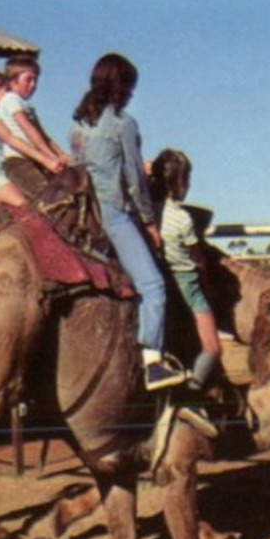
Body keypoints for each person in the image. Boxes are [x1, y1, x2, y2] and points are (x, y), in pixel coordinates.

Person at [68, 53, 186, 392]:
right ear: (121, 87)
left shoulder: (77, 124)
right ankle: (152, 361)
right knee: (154, 287)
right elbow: (133, 179)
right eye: (130, 87)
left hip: (82, 211)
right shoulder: (124, 124)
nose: (132, 94)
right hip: (113, 214)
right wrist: (149, 222)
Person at [150, 149, 222, 391]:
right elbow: (197, 258)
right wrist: (207, 282)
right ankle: (192, 391)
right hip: (188, 283)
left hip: (164, 277)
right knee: (212, 347)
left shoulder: (149, 211)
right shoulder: (183, 219)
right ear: (181, 183)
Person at [0, 71, 62, 207]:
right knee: (27, 208)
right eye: (6, 91)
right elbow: (10, 138)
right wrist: (46, 160)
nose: (7, 97)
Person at [0, 56, 68, 176]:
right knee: (46, 192)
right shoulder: (10, 99)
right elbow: (28, 130)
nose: (33, 85)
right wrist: (51, 156)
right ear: (13, 80)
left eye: (35, 80)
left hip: (34, 159)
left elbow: (42, 135)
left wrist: (61, 154)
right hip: (18, 160)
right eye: (28, 80)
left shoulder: (27, 107)